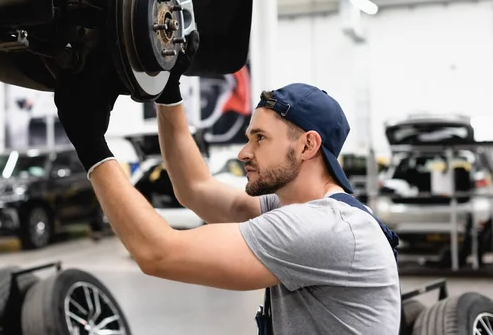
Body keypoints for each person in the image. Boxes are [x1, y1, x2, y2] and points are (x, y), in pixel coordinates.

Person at [53, 35, 401, 335]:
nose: (243, 152)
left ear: (308, 145)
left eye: (260, 138)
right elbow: (196, 188)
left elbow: (159, 253)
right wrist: (167, 90)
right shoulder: (301, 208)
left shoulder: (325, 228)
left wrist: (91, 145)